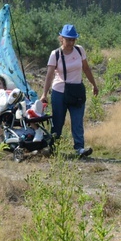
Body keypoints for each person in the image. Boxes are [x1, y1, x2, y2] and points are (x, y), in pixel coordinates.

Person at [40, 24, 99, 158]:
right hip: (59, 92)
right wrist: (44, 93)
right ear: (61, 38)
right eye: (68, 39)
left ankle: (79, 148)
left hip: (77, 91)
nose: (71, 42)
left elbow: (86, 68)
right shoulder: (55, 54)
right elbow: (49, 75)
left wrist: (94, 85)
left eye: (73, 39)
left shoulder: (79, 51)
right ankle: (53, 148)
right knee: (58, 122)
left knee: (77, 121)